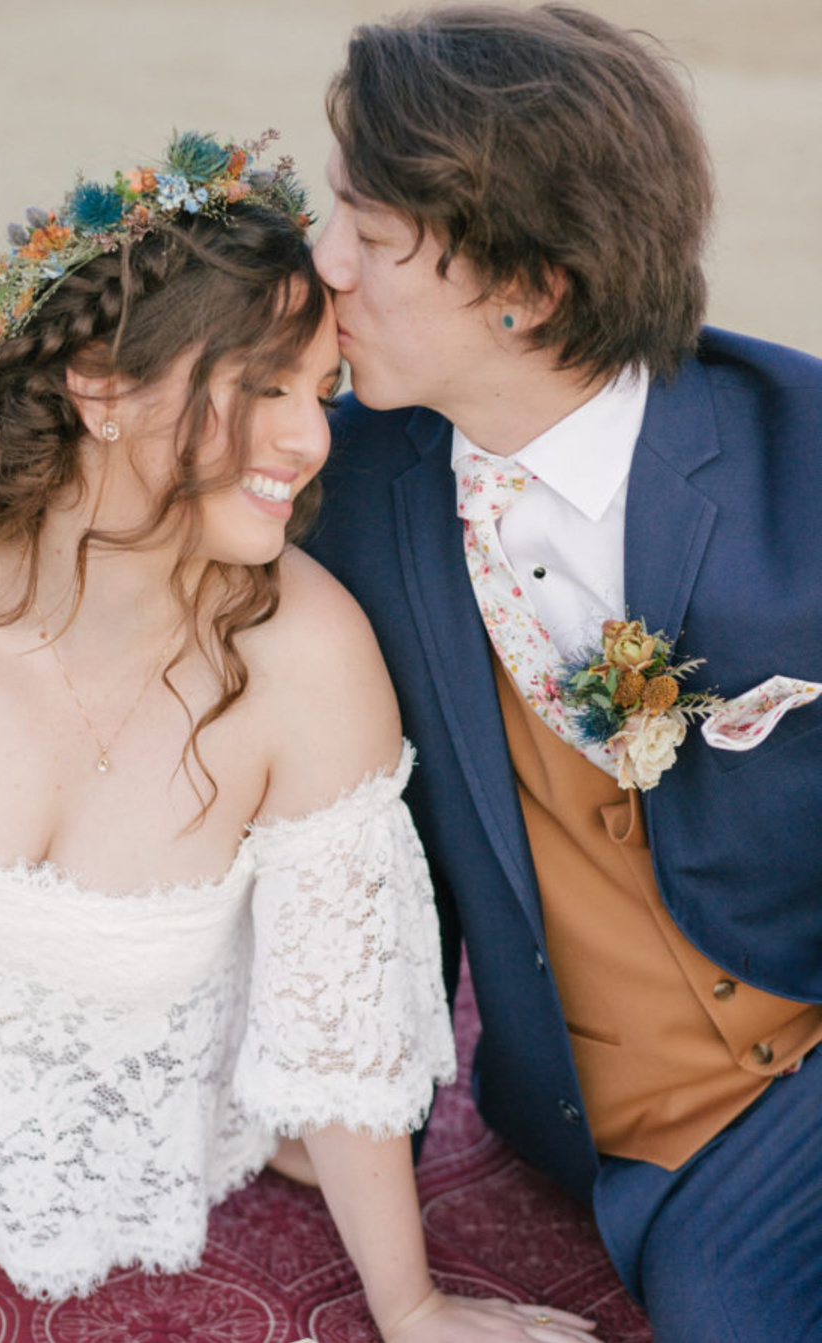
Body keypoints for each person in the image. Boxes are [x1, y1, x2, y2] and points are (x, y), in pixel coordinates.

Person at [0, 131, 597, 1343]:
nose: (310, 439)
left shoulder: (307, 656)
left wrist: (413, 1302)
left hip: (155, 1150)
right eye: (263, 387)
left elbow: (342, 1023)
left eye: (317, 393)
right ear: (102, 388)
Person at [308, 7, 822, 1342]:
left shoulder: (803, 450)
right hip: (664, 1137)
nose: (322, 266)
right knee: (727, 1313)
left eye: (367, 238)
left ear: (528, 288)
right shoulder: (347, 485)